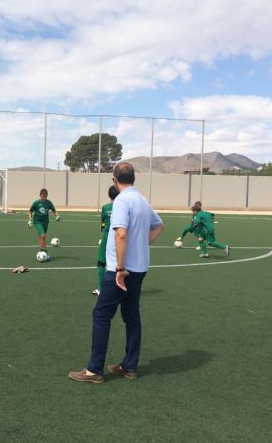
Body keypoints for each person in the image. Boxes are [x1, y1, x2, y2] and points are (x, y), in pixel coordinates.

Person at [69, 162, 164, 383]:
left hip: (121, 270)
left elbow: (121, 234)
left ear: (114, 179)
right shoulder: (142, 200)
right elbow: (159, 226)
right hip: (140, 269)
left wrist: (120, 268)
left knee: (101, 315)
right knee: (131, 316)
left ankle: (94, 370)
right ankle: (129, 367)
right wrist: (141, 246)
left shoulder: (122, 200)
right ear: (134, 178)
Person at [93, 185, 120, 297]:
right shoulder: (123, 207)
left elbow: (102, 224)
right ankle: (121, 288)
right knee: (120, 265)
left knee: (101, 263)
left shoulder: (105, 207)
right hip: (120, 239)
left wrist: (104, 230)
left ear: (109, 195)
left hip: (106, 239)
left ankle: (100, 289)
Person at [28, 189, 60, 260]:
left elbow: (54, 210)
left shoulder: (48, 203)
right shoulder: (36, 203)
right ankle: (45, 252)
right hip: (37, 221)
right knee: (43, 235)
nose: (44, 198)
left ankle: (41, 251)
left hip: (45, 222)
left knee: (41, 237)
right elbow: (30, 211)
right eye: (43, 196)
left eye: (45, 197)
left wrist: (57, 216)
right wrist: (30, 220)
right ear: (40, 195)